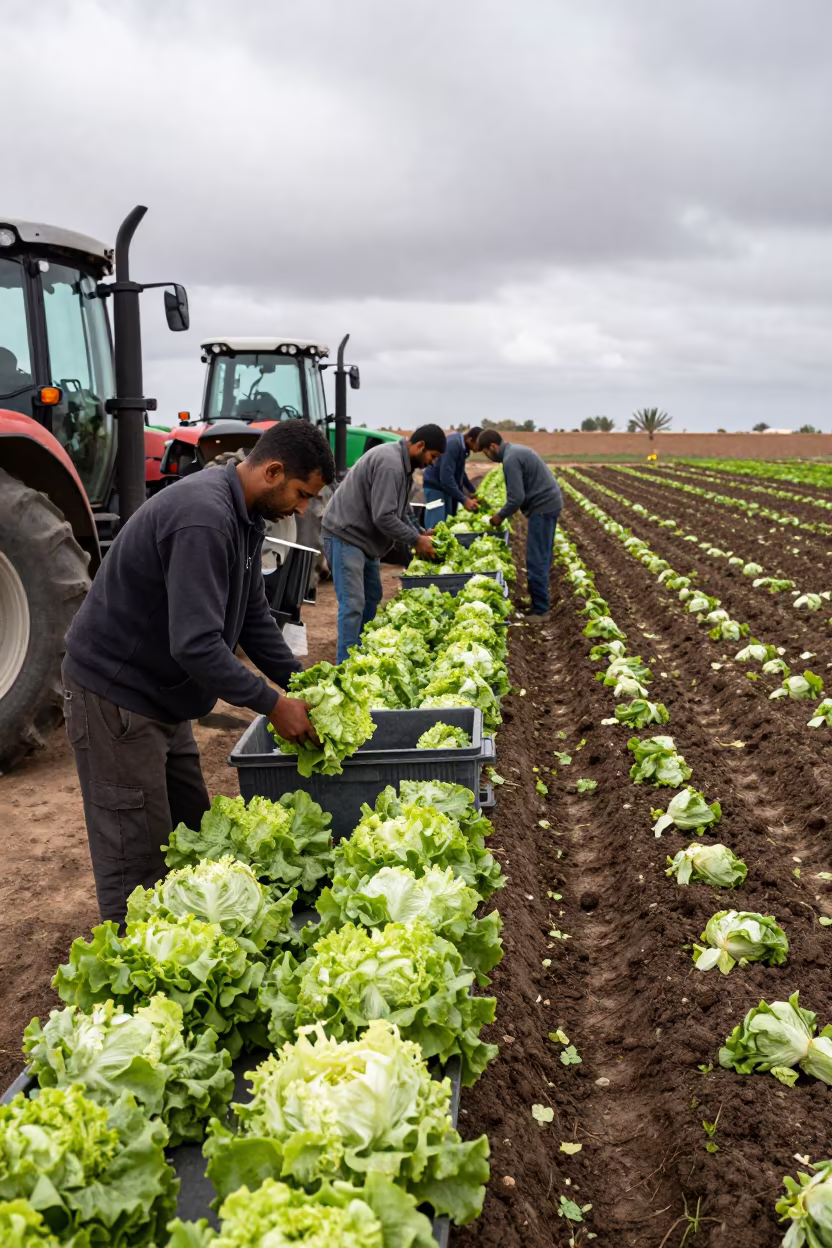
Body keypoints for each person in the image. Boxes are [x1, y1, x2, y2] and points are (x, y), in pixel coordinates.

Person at [61, 421, 335, 924]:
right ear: (272, 471)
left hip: (164, 697)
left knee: (193, 835)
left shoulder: (245, 517)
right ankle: (140, 977)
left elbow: (251, 614)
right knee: (136, 862)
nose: (301, 509)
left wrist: (301, 684)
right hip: (117, 695)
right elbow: (196, 645)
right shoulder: (204, 517)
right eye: (301, 495)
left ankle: (186, 952)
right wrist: (273, 706)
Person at [321, 425, 446, 662]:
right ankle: (345, 668)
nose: (432, 463)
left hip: (364, 539)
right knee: (353, 604)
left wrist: (421, 533)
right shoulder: (391, 464)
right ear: (420, 446)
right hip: (346, 534)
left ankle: (362, 655)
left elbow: (404, 511)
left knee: (372, 597)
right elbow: (384, 516)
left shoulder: (404, 467)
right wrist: (416, 540)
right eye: (433, 456)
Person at [477, 429, 563, 623]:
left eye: (485, 453)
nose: (487, 457)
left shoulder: (510, 459)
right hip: (549, 503)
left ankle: (540, 611)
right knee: (542, 554)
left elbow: (516, 498)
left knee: (536, 558)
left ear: (493, 447)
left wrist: (498, 517)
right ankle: (538, 602)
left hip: (542, 507)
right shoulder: (515, 451)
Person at [421, 426, 482, 525]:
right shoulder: (453, 444)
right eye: (479, 445)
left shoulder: (463, 447)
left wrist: (473, 492)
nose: (480, 449)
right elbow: (446, 478)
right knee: (436, 526)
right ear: (471, 440)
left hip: (446, 488)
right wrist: (464, 500)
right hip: (435, 487)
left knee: (447, 523)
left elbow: (460, 472)